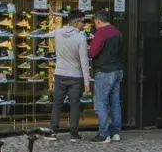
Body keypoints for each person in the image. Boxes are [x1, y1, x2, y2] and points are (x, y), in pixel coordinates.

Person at [47, 11, 91, 142]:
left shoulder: (58, 33)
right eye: (83, 22)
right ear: (75, 22)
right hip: (76, 76)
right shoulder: (81, 38)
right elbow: (84, 61)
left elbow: (45, 35)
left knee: (57, 104)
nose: (84, 24)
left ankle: (53, 132)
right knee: (75, 105)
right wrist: (87, 81)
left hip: (59, 74)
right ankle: (73, 134)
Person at [88, 10, 123, 144]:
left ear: (98, 20)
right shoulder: (117, 32)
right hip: (117, 70)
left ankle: (104, 134)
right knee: (115, 103)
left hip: (104, 71)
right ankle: (115, 133)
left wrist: (86, 50)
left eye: (95, 22)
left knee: (101, 103)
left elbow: (92, 52)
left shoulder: (101, 32)